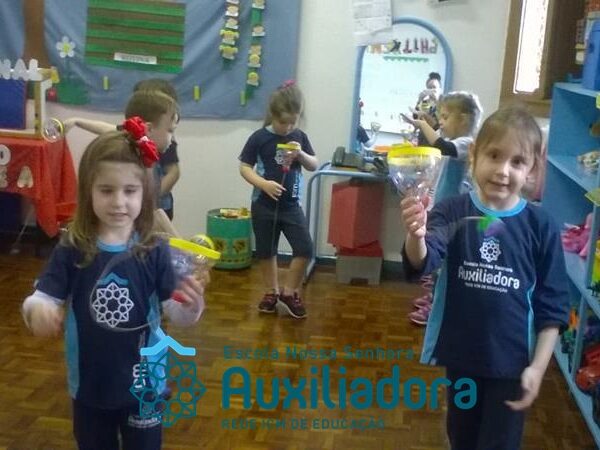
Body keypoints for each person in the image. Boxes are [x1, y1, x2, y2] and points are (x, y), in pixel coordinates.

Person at [21, 126, 206, 450]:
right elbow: (42, 297)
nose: (119, 202)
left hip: (145, 383)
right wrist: (37, 311)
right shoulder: (73, 248)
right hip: (90, 385)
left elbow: (177, 314)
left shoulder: (154, 250)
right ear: (88, 191)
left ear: (144, 194)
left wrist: (191, 307)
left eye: (130, 191)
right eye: (106, 190)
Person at [400, 106, 570, 450]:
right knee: (461, 439)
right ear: (475, 155)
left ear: (531, 169)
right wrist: (416, 235)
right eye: (494, 155)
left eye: (517, 162)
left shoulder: (541, 226)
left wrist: (538, 367)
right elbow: (424, 261)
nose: (503, 171)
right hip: (461, 358)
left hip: (512, 366)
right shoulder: (452, 211)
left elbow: (553, 307)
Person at [239, 81, 318, 319]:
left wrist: (300, 154)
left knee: (305, 249)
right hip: (263, 206)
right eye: (283, 122)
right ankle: (271, 292)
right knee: (266, 251)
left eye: (293, 122)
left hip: (291, 206)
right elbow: (245, 168)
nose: (288, 127)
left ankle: (289, 292)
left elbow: (313, 164)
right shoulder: (259, 138)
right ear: (273, 115)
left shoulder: (299, 136)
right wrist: (263, 184)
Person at [403, 91, 483, 326]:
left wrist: (422, 125)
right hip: (443, 210)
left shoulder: (466, 143)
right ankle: (433, 297)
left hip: (455, 216)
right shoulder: (457, 141)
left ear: (464, 120)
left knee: (443, 262)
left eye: (446, 117)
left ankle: (436, 305)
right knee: (436, 260)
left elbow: (442, 145)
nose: (442, 122)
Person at [64, 78, 181, 220]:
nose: (171, 136)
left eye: (171, 130)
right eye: (170, 130)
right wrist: (78, 122)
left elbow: (174, 173)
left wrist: (151, 197)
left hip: (158, 206)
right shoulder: (131, 137)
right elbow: (107, 128)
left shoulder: (164, 144)